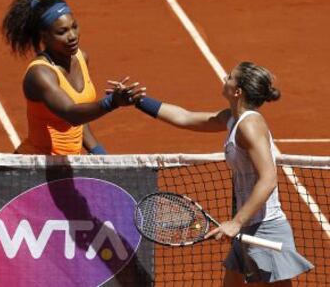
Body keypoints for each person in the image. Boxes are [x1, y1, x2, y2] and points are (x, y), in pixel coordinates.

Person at [132, 61, 314, 286]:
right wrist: (137, 101)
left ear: (238, 91)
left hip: (265, 228)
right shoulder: (232, 119)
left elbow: (268, 179)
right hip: (248, 224)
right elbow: (185, 117)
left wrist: (236, 222)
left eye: (229, 77)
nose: (224, 79)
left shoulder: (250, 126)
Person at [1, 0, 143, 155]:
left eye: (74, 27)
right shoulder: (40, 74)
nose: (73, 36)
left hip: (70, 163)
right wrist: (112, 102)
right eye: (62, 32)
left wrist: (98, 152)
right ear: (44, 37)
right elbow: (71, 114)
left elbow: (81, 117)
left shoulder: (81, 58)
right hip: (36, 166)